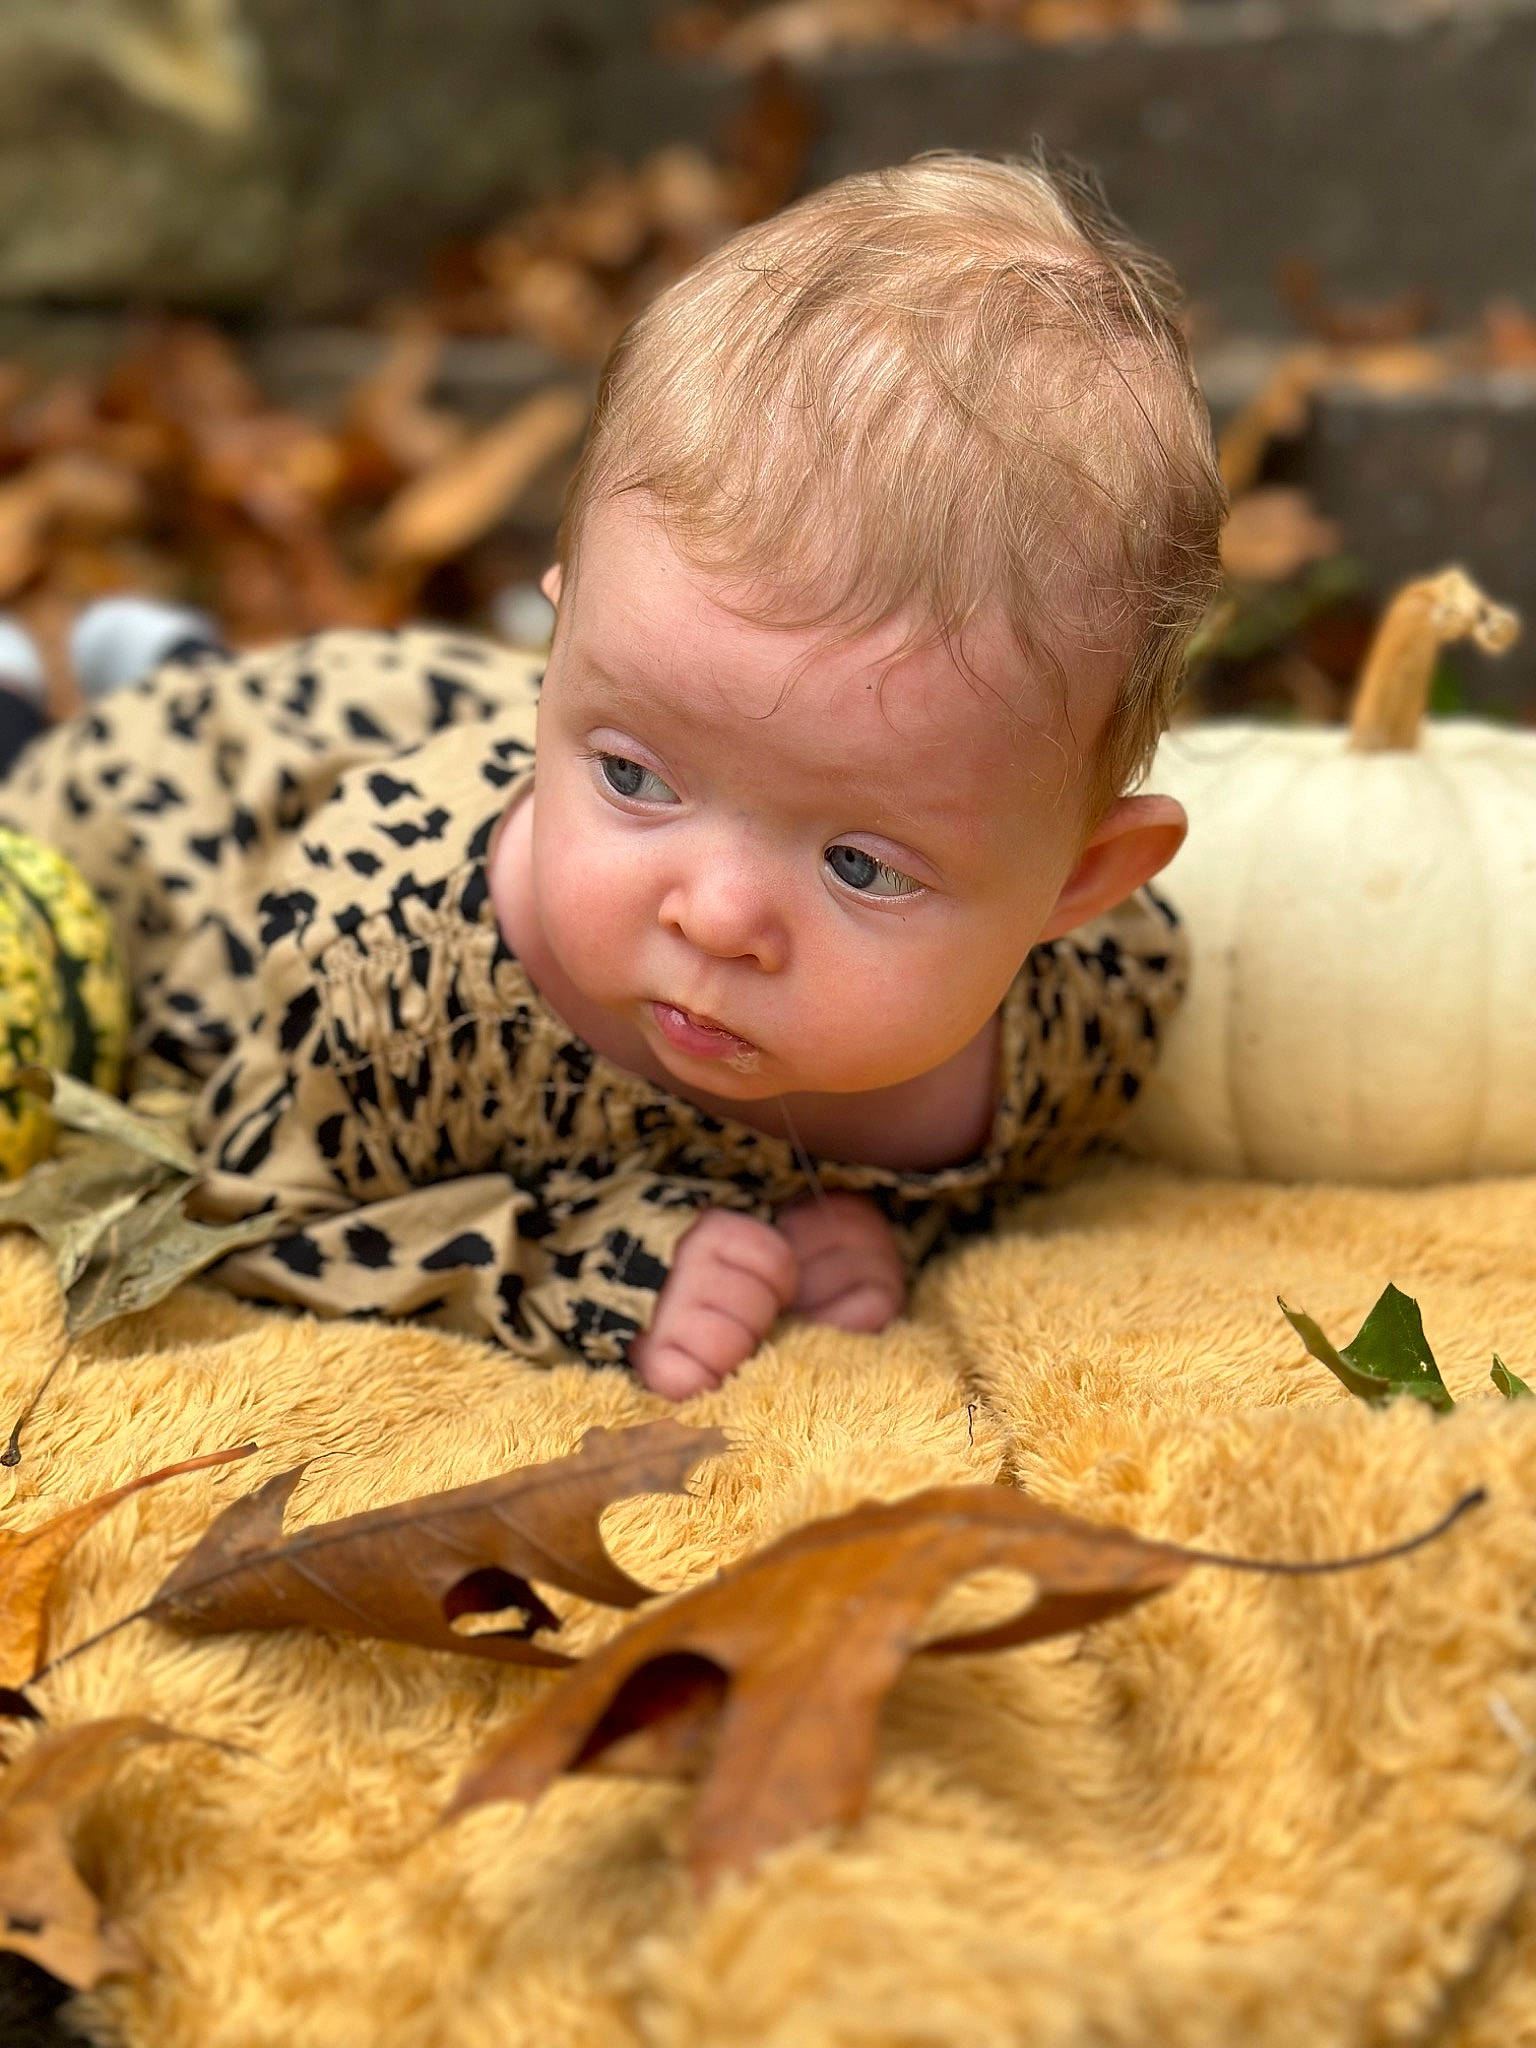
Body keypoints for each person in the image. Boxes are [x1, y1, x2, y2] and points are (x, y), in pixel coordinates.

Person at [0, 150, 1224, 1401]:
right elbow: (233, 1202)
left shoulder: (1086, 1020)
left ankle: (159, 649)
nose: (717, 917)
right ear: (561, 649)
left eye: (862, 865)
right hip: (206, 811)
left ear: (1077, 882)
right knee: (62, 778)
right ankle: (102, 685)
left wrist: (872, 1226)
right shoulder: (386, 983)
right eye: (635, 779)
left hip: (449, 717)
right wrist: (598, 1260)